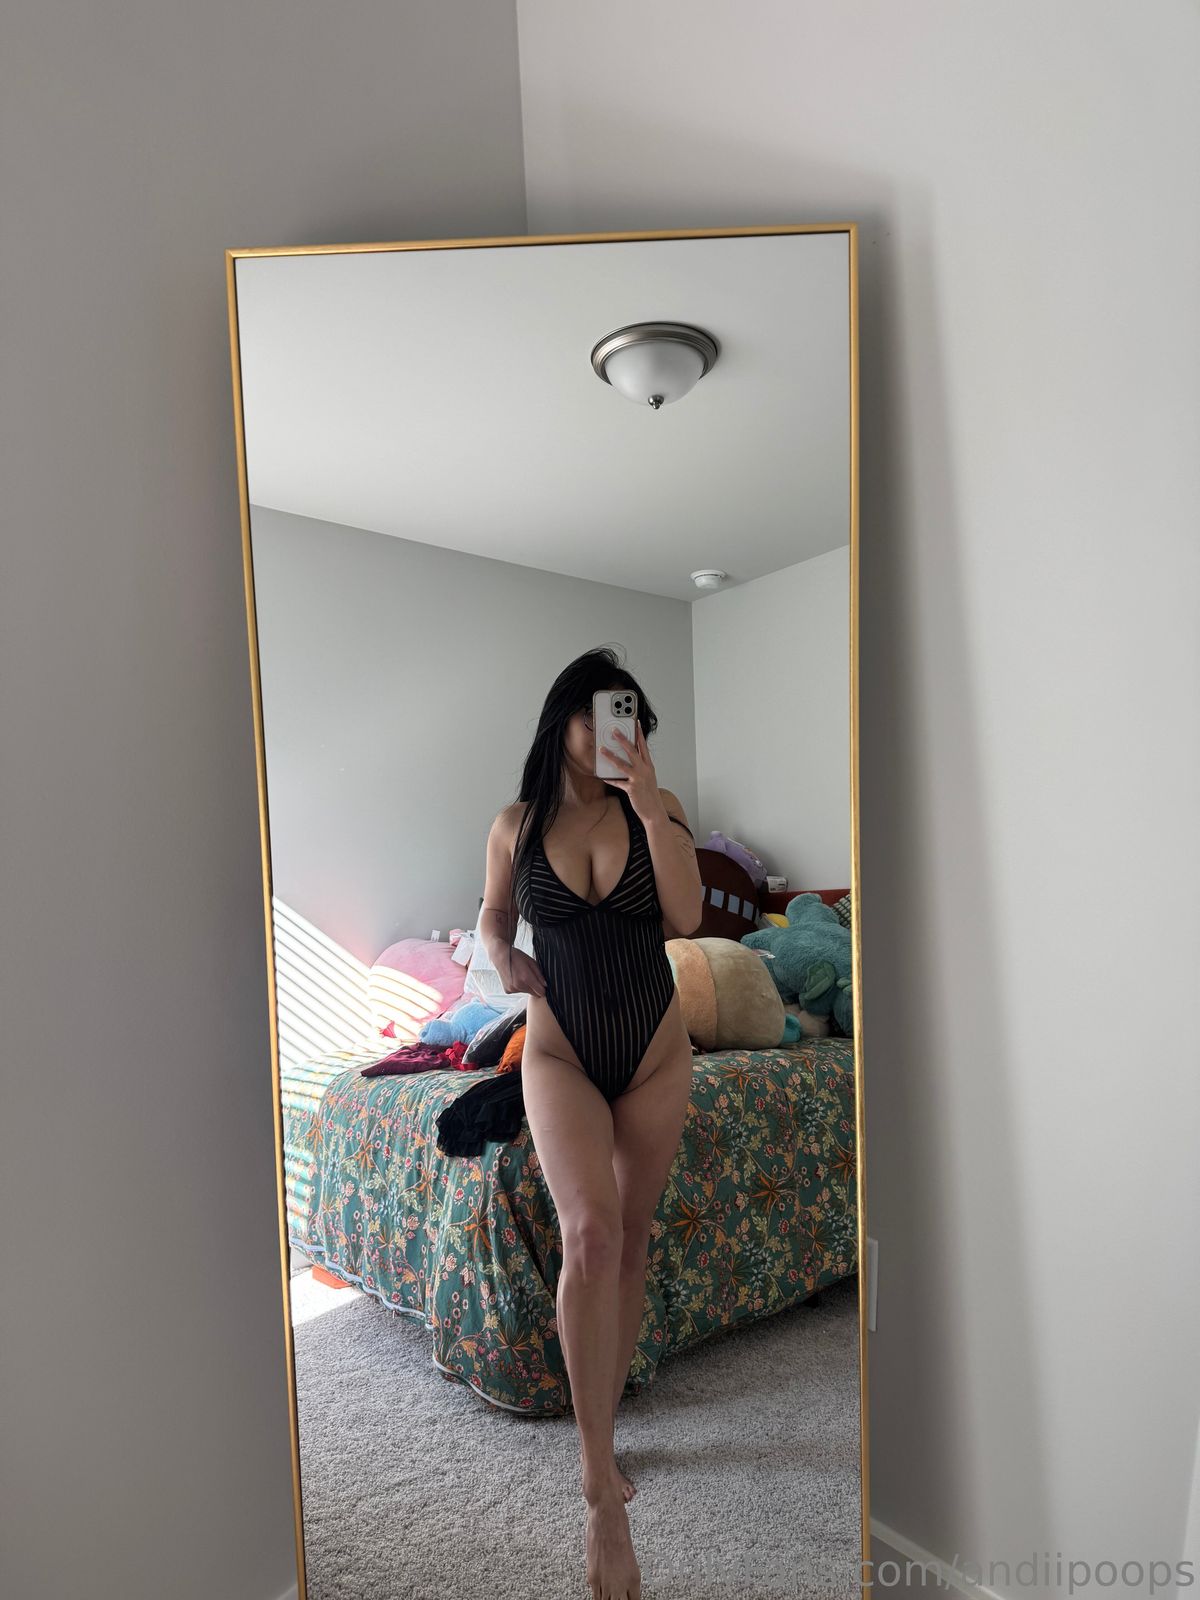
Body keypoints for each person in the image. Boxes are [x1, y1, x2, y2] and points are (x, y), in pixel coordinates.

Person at [478, 647, 703, 1600]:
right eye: (605, 714)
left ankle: (605, 1438)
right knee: (591, 1234)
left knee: (633, 1238)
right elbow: (493, 918)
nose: (622, 731)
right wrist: (501, 958)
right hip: (560, 1050)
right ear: (563, 719)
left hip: (654, 1051)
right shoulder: (516, 824)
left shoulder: (659, 809)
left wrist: (651, 809)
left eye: (634, 718)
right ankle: (598, 1486)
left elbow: (686, 918)